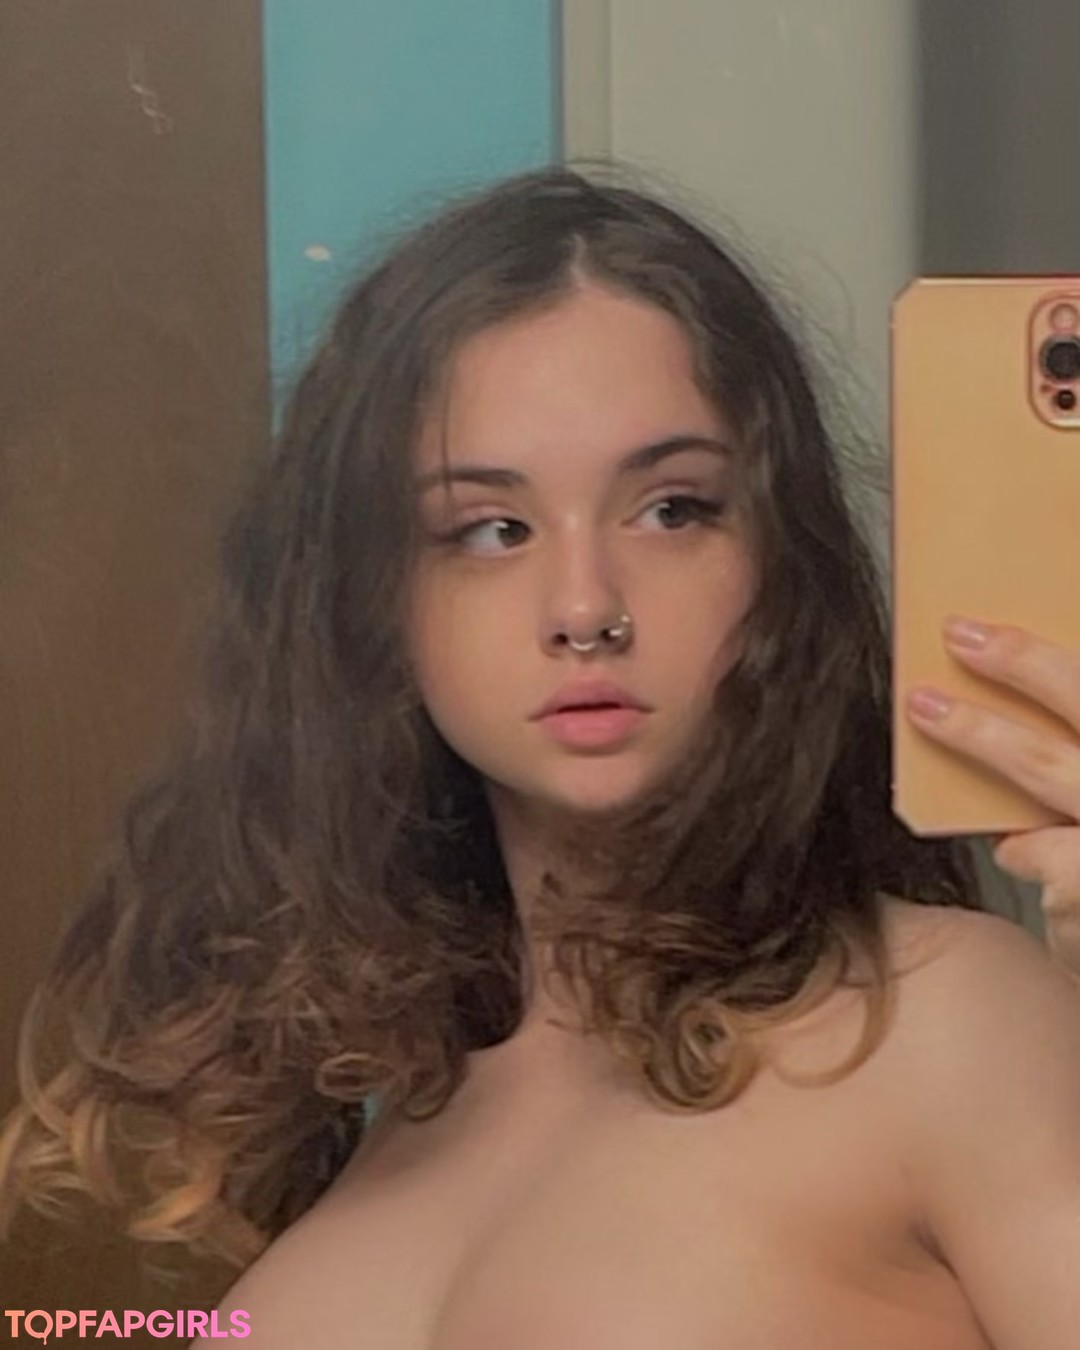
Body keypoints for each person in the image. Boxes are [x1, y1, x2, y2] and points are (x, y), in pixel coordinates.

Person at [2, 168, 1079, 1348]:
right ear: (375, 606)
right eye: (492, 529)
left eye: (672, 509)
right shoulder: (386, 1129)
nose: (584, 607)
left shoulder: (943, 1023)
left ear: (780, 559)